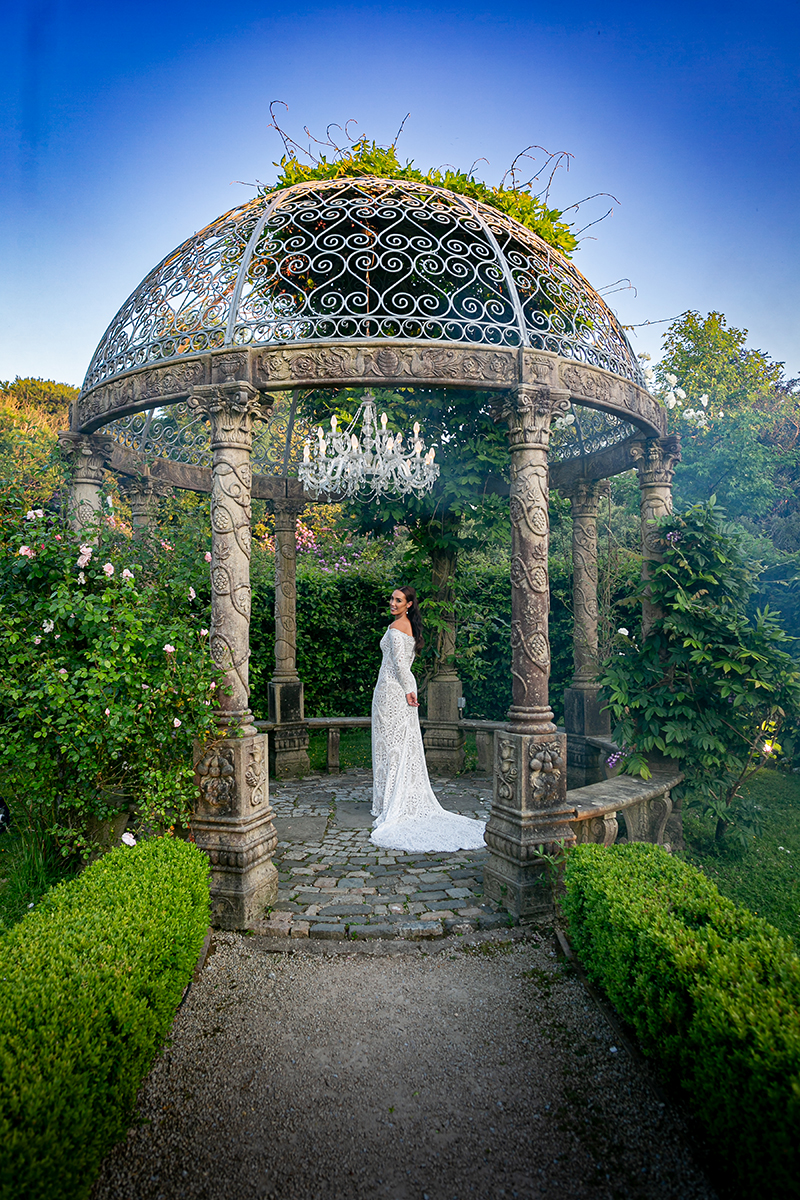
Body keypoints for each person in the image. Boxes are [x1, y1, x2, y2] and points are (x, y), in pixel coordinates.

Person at [370, 586, 486, 853]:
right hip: (387, 691)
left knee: (392, 746)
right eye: (392, 599)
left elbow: (401, 665)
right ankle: (386, 801)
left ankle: (391, 803)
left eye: (398, 600)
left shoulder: (400, 627)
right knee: (390, 745)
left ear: (409, 604)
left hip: (392, 692)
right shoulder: (403, 624)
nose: (393, 603)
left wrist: (410, 692)